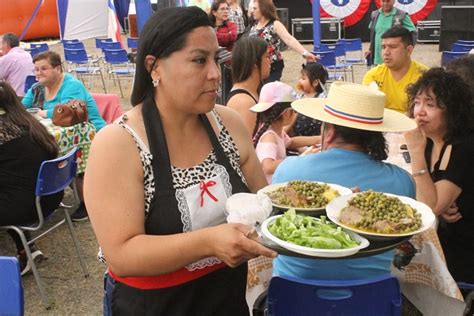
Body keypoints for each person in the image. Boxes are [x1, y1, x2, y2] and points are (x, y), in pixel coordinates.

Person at [83, 7, 276, 315]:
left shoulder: (228, 123)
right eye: (199, 60)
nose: (215, 72)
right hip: (154, 305)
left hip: (229, 297)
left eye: (216, 58)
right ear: (154, 67)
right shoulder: (119, 143)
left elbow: (265, 203)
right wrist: (210, 242)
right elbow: (121, 253)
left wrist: (323, 212)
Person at [272, 82, 417, 280]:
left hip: (292, 293)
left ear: (329, 132)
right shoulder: (402, 181)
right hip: (372, 297)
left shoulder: (287, 172)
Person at [404, 68, 474, 286]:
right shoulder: (431, 141)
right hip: (443, 236)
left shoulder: (464, 147)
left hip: (463, 250)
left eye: (430, 104)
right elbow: (431, 202)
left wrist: (415, 152)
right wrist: (440, 206)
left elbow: (428, 207)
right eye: (417, 102)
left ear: (452, 110)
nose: (419, 112)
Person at [22, 51, 106, 221]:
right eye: (36, 69)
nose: (38, 73)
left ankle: (88, 203)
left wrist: (43, 112)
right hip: (56, 135)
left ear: (58, 68)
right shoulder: (37, 88)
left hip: (89, 133)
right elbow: (22, 107)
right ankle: (44, 197)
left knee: (74, 155)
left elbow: (69, 112)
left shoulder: (71, 85)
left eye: (44, 68)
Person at [0, 82, 63, 275]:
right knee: (13, 187)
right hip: (49, 197)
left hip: (24, 206)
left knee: (12, 191)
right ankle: (26, 249)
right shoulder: (28, 123)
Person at [251, 82, 321, 183]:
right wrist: (301, 158)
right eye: (294, 111)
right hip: (271, 186)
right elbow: (268, 166)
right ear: (287, 113)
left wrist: (318, 139)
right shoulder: (269, 136)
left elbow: (291, 142)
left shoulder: (277, 131)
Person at [363, 26, 427, 114]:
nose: (386, 52)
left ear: (409, 50)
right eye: (383, 47)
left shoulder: (424, 77)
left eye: (392, 47)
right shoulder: (373, 75)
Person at [249, 0, 317, 83]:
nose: (252, 11)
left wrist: (305, 53)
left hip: (272, 66)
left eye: (255, 8)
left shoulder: (274, 24)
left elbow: (289, 39)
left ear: (263, 9)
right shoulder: (254, 25)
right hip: (256, 66)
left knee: (268, 91)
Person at [226, 36, 270, 135]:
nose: (270, 62)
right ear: (254, 63)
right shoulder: (243, 102)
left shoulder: (255, 90)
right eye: (267, 57)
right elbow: (247, 147)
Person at [367, 0, 416, 66]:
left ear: (393, 1)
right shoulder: (375, 14)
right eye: (383, 1)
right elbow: (374, 34)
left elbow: (413, 32)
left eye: (388, 1)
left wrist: (408, 49)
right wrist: (370, 49)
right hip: (377, 57)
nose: (385, 3)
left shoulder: (401, 15)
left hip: (394, 57)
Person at [289, 62, 328, 137]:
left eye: (303, 79)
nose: (299, 81)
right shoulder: (299, 97)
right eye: (300, 78)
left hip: (316, 135)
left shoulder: (321, 98)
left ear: (315, 83)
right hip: (298, 136)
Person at [0, 33, 34, 97]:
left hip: (15, 98)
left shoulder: (8, 57)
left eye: (1, 44)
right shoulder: (27, 54)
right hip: (29, 94)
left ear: (6, 44)